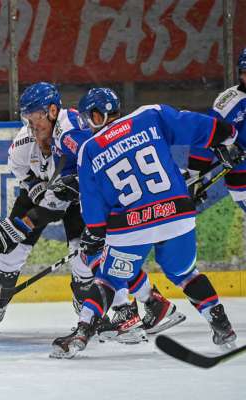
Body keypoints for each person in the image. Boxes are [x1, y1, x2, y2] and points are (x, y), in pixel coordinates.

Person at [51, 87, 240, 359]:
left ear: (96, 115)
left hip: (131, 227)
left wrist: (95, 232)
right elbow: (196, 126)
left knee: (107, 280)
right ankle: (221, 325)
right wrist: (229, 136)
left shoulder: (89, 149)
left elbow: (92, 202)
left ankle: (82, 332)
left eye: (88, 118)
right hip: (176, 215)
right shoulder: (150, 116)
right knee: (186, 274)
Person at [0, 82, 96, 334]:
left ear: (52, 111)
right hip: (46, 190)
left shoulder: (74, 133)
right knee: (9, 248)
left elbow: (94, 166)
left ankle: (88, 312)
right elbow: (20, 171)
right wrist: (37, 190)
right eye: (28, 119)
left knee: (84, 256)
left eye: (36, 117)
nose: (33, 126)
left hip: (80, 198)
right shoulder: (23, 144)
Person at [187, 47, 246, 208]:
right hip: (242, 176)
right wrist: (195, 177)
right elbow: (206, 133)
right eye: (245, 72)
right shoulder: (231, 101)